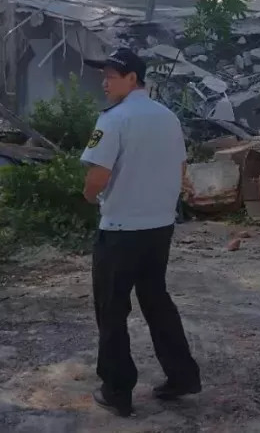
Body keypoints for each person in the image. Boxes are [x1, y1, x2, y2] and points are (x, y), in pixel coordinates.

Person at [81, 46, 201, 417]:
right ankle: (182, 375)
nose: (105, 82)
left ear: (132, 78)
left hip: (120, 231)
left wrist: (87, 196)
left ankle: (117, 389)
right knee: (157, 301)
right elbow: (181, 168)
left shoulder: (114, 119)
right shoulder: (168, 118)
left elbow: (97, 178)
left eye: (111, 76)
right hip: (158, 229)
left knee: (112, 310)